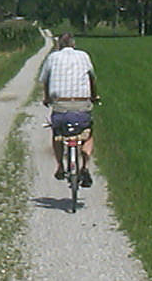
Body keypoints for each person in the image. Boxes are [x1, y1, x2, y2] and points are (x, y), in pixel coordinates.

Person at [39, 32, 98, 187]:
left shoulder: (52, 58)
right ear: (73, 44)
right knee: (88, 133)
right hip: (81, 107)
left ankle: (60, 166)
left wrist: (47, 98)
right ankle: (84, 167)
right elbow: (92, 78)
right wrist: (93, 96)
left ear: (58, 45)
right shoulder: (84, 56)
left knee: (57, 132)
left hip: (60, 107)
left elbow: (45, 80)